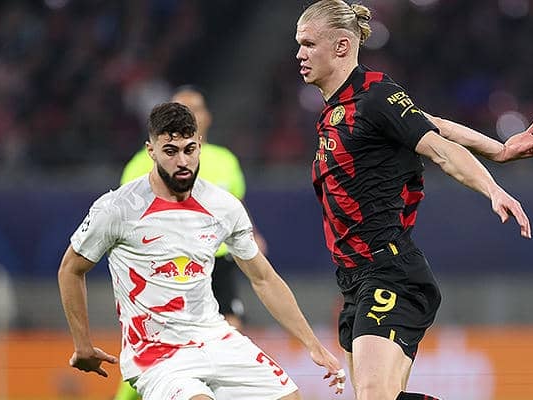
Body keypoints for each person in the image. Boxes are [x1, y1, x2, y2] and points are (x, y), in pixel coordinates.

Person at [295, 1, 533, 400]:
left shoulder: (376, 96)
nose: (299, 54)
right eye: (299, 44)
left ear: (341, 46)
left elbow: (440, 148)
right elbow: (432, 121)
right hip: (354, 279)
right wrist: (499, 149)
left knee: (374, 396)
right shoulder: (341, 109)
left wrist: (492, 187)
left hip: (389, 273)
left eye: (308, 44)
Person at [58, 102, 346, 400]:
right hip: (157, 353)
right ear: (151, 151)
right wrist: (82, 344)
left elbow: (263, 278)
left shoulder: (223, 205)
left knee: (289, 397)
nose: (182, 161)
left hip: (215, 337)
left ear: (200, 145)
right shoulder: (118, 208)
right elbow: (70, 269)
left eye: (189, 149)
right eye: (170, 151)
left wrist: (313, 344)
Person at [114, 87, 255, 400]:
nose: (191, 115)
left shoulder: (225, 161)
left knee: (229, 338)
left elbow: (236, 208)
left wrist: (251, 235)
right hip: (165, 267)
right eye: (183, 108)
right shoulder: (140, 164)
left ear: (207, 117)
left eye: (197, 108)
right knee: (159, 351)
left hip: (217, 263)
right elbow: (127, 218)